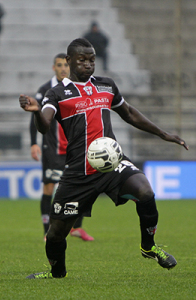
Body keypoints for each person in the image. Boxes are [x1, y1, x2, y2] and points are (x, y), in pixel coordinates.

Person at [19, 38, 188, 279]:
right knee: (56, 234)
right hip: (79, 171)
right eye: (82, 60)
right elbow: (45, 125)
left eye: (92, 60)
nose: (88, 64)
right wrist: (36, 112)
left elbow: (128, 113)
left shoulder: (106, 86)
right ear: (68, 61)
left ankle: (148, 246)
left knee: (146, 193)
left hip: (113, 164)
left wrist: (163, 134)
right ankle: (56, 273)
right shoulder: (56, 93)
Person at [30, 53, 94, 242]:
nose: (63, 68)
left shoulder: (77, 87)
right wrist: (34, 143)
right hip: (53, 148)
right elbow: (34, 117)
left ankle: (77, 228)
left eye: (66, 65)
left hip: (76, 148)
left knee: (83, 187)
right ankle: (46, 231)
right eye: (60, 65)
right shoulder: (45, 90)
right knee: (49, 189)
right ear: (54, 68)